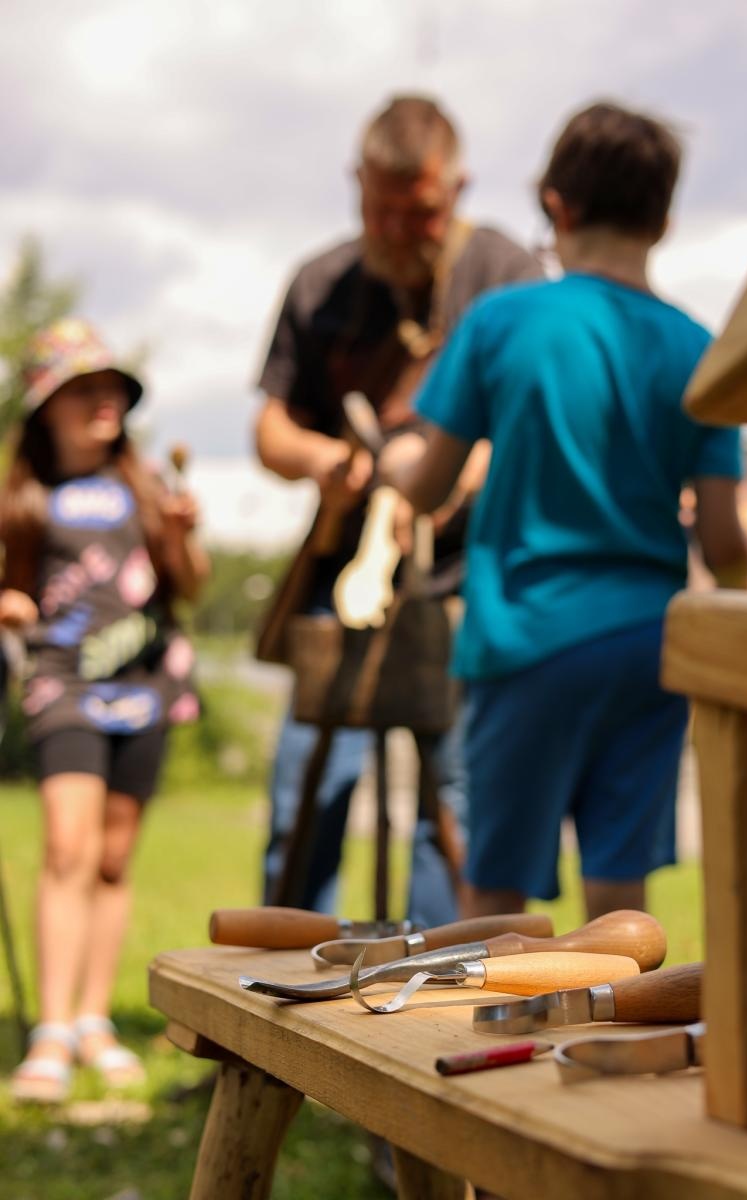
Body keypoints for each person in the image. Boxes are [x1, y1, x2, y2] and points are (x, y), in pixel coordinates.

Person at [380, 100, 747, 924]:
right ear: (664, 219)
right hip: (651, 644)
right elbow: (725, 538)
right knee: (620, 887)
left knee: (496, 888)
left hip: (527, 640)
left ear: (556, 204)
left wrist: (393, 460)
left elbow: (430, 486)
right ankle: (615, 1048)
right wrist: (739, 594)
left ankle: (490, 1048)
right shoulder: (699, 349)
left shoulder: (503, 321)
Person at [254, 94, 542, 923]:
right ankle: (283, 1026)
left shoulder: (505, 276)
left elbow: (534, 411)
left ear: (456, 189)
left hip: (467, 586)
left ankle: (437, 1018)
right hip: (343, 583)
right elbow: (271, 424)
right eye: (379, 209)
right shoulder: (322, 284)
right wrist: (324, 462)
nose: (396, 229)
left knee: (451, 813)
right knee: (303, 806)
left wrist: (462, 468)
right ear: (357, 185)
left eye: (417, 212)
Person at [1, 318, 209, 1103]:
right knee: (67, 847)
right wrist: (11, 604)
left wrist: (185, 541)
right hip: (64, 684)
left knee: (115, 861)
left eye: (112, 389)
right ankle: (51, 1030)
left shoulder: (146, 484)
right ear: (47, 406)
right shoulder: (23, 495)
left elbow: (188, 583)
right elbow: (9, 584)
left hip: (148, 684)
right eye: (84, 389)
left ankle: (94, 1019)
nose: (104, 402)